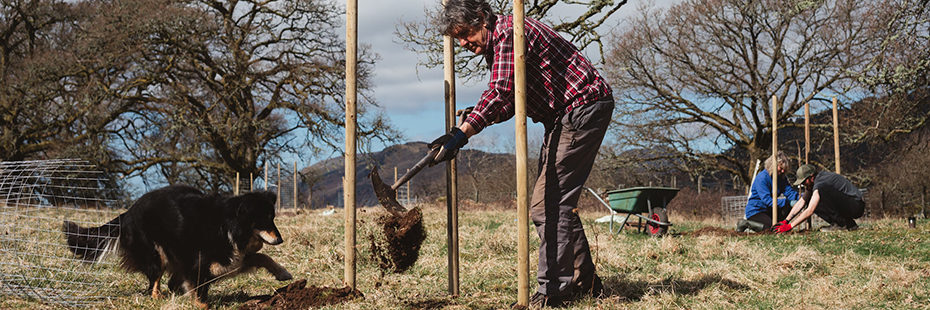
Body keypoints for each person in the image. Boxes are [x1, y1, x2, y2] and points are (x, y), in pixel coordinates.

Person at [430, 0, 614, 307]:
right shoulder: (497, 48)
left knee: (547, 206)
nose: (462, 43)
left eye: (465, 33)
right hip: (564, 117)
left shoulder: (510, 34)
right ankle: (586, 282)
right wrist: (470, 120)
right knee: (556, 202)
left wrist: (463, 133)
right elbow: (511, 102)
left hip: (582, 108)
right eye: (457, 38)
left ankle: (553, 293)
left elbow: (501, 90)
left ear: (481, 19)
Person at [773, 164, 865, 233]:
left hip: (856, 205)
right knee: (810, 199)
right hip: (848, 205)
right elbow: (802, 202)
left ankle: (841, 225)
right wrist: (786, 220)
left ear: (812, 177)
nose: (803, 184)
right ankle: (849, 225)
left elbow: (810, 210)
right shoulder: (814, 182)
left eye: (804, 182)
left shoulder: (820, 184)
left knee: (816, 198)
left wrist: (790, 226)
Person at [739, 152, 800, 232]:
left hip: (769, 210)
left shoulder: (781, 178)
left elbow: (789, 192)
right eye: (780, 168)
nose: (782, 171)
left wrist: (801, 199)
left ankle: (781, 225)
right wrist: (787, 202)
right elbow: (767, 200)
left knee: (786, 210)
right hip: (756, 211)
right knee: (770, 230)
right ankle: (746, 223)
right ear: (773, 165)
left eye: (784, 169)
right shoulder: (762, 178)